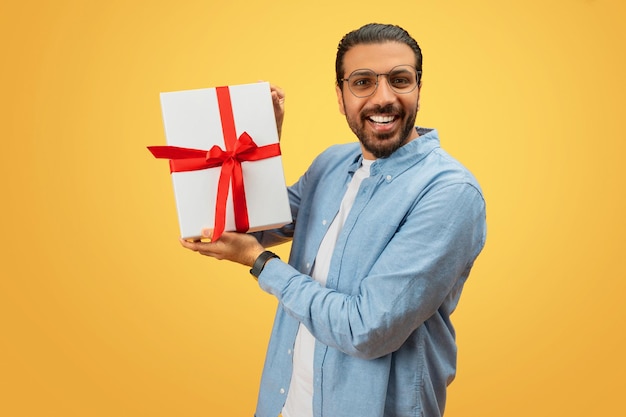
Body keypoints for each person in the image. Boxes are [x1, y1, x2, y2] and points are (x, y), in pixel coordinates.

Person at [181, 23, 487, 417]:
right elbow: (244, 226)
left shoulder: (449, 193)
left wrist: (261, 264)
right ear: (340, 98)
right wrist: (259, 145)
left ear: (418, 90)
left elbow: (367, 330)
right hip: (287, 403)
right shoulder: (331, 163)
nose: (384, 98)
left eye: (400, 80)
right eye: (362, 82)